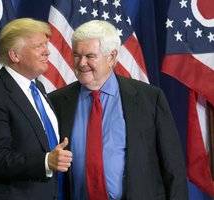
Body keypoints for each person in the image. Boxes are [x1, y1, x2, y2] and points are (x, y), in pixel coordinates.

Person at [49, 20, 188, 200]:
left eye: (90, 56)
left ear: (112, 56)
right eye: (76, 55)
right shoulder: (57, 101)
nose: (81, 63)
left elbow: (173, 167)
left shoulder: (149, 98)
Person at [0, 18, 72, 200]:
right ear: (15, 55)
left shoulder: (38, 88)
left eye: (46, 45)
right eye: (39, 46)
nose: (47, 52)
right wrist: (46, 161)